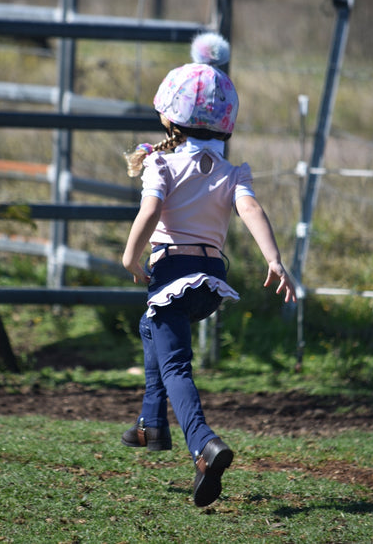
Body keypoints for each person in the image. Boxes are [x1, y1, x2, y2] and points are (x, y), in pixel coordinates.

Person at [121, 32, 297, 508]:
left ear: (168, 116)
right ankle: (151, 424)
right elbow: (253, 211)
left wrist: (129, 256)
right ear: (226, 125)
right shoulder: (232, 171)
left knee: (176, 363)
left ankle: (202, 445)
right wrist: (274, 260)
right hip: (209, 282)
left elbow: (150, 214)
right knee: (151, 329)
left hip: (171, 274)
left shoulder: (162, 164)